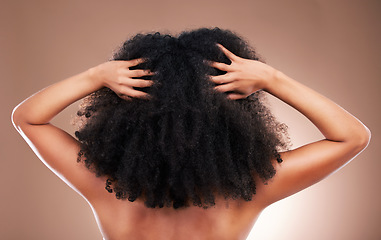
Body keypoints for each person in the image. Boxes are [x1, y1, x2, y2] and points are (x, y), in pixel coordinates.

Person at [12, 28, 370, 240]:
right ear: (231, 118)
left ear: (127, 115)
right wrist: (271, 78)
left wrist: (95, 76)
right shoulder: (252, 188)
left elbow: (28, 118)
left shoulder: (103, 184)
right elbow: (352, 136)